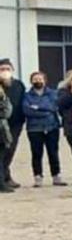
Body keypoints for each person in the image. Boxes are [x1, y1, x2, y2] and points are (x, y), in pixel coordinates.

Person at [22, 71, 66, 187]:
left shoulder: (52, 93)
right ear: (31, 81)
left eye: (40, 79)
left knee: (53, 152)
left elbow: (54, 107)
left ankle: (56, 176)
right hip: (34, 129)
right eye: (35, 79)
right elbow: (27, 111)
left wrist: (37, 107)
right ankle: (38, 177)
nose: (38, 81)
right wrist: (45, 112)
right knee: (36, 154)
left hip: (52, 127)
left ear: (45, 80)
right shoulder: (27, 95)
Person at [0, 58, 25, 189]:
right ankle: (3, 179)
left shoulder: (18, 85)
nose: (5, 72)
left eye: (7, 69)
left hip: (15, 123)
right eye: (2, 69)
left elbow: (23, 102)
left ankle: (6, 176)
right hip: (1, 124)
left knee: (10, 150)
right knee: (2, 152)